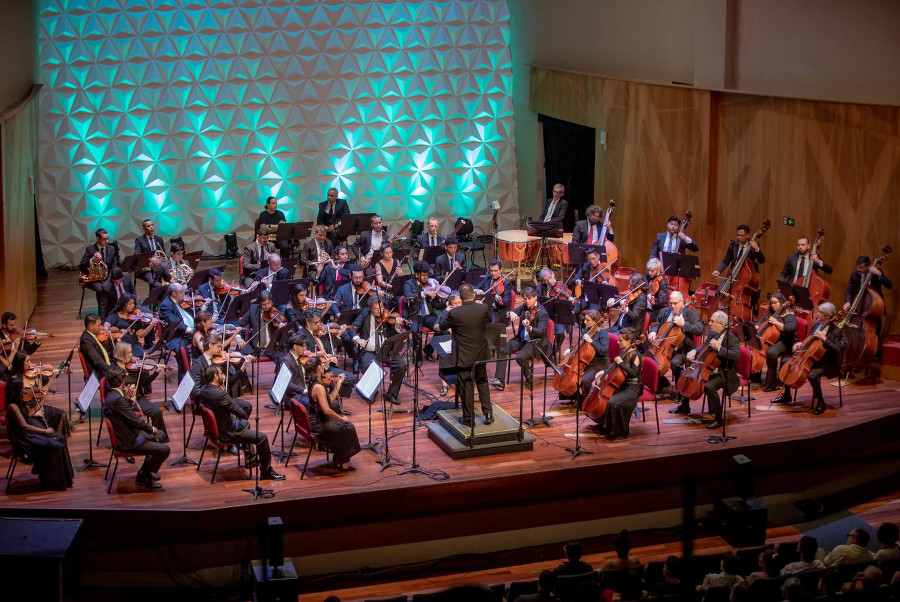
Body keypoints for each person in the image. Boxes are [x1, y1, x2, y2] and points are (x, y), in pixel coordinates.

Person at [197, 365, 284, 481]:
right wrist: (225, 394)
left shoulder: (203, 390)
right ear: (215, 376)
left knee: (244, 424)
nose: (223, 376)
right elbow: (241, 412)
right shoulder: (220, 394)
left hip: (215, 429)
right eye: (221, 374)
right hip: (227, 432)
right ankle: (266, 471)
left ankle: (251, 461)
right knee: (262, 438)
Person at [771, 302, 844, 415]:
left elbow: (837, 350)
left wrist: (825, 339)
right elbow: (808, 339)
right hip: (810, 358)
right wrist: (800, 343)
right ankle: (787, 395)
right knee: (785, 361)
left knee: (812, 375)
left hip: (826, 362)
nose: (817, 314)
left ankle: (820, 402)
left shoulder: (836, 331)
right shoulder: (816, 325)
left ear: (828, 316)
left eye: (820, 312)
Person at [104, 365, 170, 489]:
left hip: (129, 433)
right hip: (129, 441)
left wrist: (129, 399)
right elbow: (135, 420)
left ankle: (145, 472)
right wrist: (151, 429)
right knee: (164, 449)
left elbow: (125, 413)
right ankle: (143, 477)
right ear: (121, 381)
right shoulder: (118, 399)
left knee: (161, 435)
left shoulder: (111, 395)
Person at [4, 378, 74, 490]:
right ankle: (53, 481)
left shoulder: (20, 401)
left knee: (60, 438)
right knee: (56, 446)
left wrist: (42, 400)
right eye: (22, 389)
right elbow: (24, 426)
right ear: (16, 391)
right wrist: (45, 431)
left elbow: (30, 413)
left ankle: (66, 477)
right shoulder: (12, 406)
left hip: (30, 432)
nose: (24, 391)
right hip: (25, 438)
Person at [443, 284, 493, 426]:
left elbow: (441, 326)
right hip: (480, 353)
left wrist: (446, 311)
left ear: (461, 297)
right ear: (474, 295)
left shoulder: (455, 313)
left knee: (466, 385)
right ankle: (488, 414)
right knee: (482, 382)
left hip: (464, 356)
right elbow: (490, 321)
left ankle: (468, 419)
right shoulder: (483, 308)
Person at [647, 291, 703, 414]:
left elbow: (699, 330)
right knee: (648, 358)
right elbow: (657, 324)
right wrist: (653, 331)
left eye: (675, 303)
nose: (672, 306)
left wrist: (684, 324)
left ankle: (682, 392)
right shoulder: (664, 312)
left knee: (676, 363)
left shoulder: (690, 314)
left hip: (682, 349)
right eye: (671, 303)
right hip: (662, 347)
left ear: (682, 302)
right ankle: (658, 385)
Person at [303, 356, 361, 471]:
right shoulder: (318, 387)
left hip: (319, 418)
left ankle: (339, 457)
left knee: (345, 425)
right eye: (322, 365)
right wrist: (341, 419)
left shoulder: (315, 383)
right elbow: (327, 410)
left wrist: (339, 383)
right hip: (320, 424)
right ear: (319, 368)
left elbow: (328, 401)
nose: (324, 367)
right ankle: (341, 460)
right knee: (348, 427)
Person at [687, 310, 741, 430]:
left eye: (712, 321)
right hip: (711, 368)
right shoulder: (712, 334)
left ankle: (718, 418)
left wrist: (719, 348)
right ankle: (684, 406)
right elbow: (705, 346)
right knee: (689, 376)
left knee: (709, 386)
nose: (709, 323)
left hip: (724, 372)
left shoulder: (731, 338)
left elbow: (736, 356)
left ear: (721, 325)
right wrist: (695, 350)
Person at [348, 297, 407, 405]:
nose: (380, 311)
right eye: (376, 309)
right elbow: (352, 329)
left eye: (381, 308)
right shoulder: (364, 315)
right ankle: (372, 392)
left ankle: (391, 394)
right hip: (369, 351)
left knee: (401, 365)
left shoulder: (387, 317)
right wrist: (358, 339)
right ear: (370, 308)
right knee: (367, 365)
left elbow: (393, 336)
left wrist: (397, 327)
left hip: (386, 350)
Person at [493, 287, 550, 391]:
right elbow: (512, 312)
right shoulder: (525, 306)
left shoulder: (542, 313)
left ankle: (528, 377)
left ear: (535, 297)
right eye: (524, 299)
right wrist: (510, 313)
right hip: (521, 339)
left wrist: (531, 327)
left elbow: (541, 332)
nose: (526, 301)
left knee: (520, 357)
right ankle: (500, 381)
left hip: (534, 342)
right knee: (502, 350)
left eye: (528, 298)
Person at [591, 327, 642, 439]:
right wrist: (603, 372)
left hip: (632, 388)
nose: (618, 342)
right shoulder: (624, 351)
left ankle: (619, 432)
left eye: (621, 341)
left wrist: (621, 363)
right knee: (602, 397)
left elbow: (634, 373)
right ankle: (605, 425)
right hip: (622, 385)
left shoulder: (635, 355)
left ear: (629, 341)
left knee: (612, 402)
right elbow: (615, 367)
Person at [111, 342, 168, 443]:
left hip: (138, 398)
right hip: (124, 402)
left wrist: (156, 372)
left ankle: (161, 438)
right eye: (128, 353)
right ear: (121, 354)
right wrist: (126, 391)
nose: (131, 355)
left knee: (157, 412)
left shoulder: (134, 367)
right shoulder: (114, 370)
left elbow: (144, 382)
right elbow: (112, 390)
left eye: (131, 352)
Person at [712, 224, 766, 309]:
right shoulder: (733, 245)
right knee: (719, 291)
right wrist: (718, 271)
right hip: (732, 275)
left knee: (757, 290)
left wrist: (757, 249)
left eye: (741, 235)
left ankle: (748, 308)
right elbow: (726, 261)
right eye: (737, 235)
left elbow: (762, 261)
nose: (739, 237)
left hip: (746, 278)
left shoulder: (753, 247)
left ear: (748, 235)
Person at [561, 310, 609, 399]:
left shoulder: (602, 333)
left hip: (599, 363)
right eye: (585, 320)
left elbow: (604, 350)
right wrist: (570, 349)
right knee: (568, 375)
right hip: (587, 360)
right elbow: (579, 343)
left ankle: (586, 400)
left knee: (585, 380)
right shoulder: (587, 330)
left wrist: (591, 341)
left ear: (595, 321)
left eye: (587, 320)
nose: (584, 322)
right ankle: (575, 396)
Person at [190, 332, 253, 400]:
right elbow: (196, 390)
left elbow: (230, 381)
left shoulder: (220, 363)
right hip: (208, 400)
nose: (220, 349)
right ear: (210, 345)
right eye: (218, 346)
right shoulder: (197, 364)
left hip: (222, 398)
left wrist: (244, 365)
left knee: (247, 406)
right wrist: (213, 394)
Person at [404, 261, 445, 364]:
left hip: (428, 315)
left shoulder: (430, 284)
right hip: (415, 315)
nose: (425, 278)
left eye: (426, 275)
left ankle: (428, 350)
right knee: (415, 331)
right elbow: (408, 297)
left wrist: (447, 302)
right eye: (423, 275)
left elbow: (436, 305)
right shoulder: (408, 284)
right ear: (416, 274)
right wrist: (423, 293)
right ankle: (418, 357)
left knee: (442, 328)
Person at [759, 292, 797, 392]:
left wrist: (776, 323)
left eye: (775, 303)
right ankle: (755, 379)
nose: (773, 305)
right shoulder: (770, 313)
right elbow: (760, 322)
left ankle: (772, 384)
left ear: (782, 303)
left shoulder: (789, 315)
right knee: (756, 346)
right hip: (773, 340)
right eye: (771, 303)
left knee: (771, 352)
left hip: (786, 341)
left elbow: (790, 329)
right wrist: (757, 326)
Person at [79, 228, 120, 319]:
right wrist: (92, 260)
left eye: (107, 239)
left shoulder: (111, 248)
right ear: (98, 239)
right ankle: (103, 318)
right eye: (104, 239)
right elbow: (81, 266)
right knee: (103, 290)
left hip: (107, 277)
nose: (107, 241)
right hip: (93, 278)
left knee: (114, 285)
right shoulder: (90, 249)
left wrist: (113, 276)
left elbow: (115, 264)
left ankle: (112, 314)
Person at [236, 290, 286, 363]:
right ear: (260, 303)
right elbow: (239, 324)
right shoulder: (252, 310)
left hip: (270, 348)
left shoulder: (275, 312)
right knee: (236, 356)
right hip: (254, 347)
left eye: (269, 303)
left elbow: (281, 334)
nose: (267, 306)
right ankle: (243, 374)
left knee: (283, 360)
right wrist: (238, 338)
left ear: (271, 301)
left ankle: (279, 375)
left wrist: (280, 328)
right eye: (264, 304)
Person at [104, 293, 158, 359]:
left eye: (133, 303)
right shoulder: (115, 316)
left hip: (134, 345)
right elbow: (105, 328)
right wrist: (118, 332)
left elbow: (140, 334)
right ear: (123, 304)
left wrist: (151, 326)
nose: (133, 306)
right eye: (130, 304)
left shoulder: (136, 318)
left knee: (140, 359)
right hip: (122, 346)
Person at [474, 259, 512, 327]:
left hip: (498, 310)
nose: (493, 273)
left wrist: (500, 300)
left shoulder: (506, 283)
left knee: (490, 323)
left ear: (500, 270)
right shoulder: (488, 278)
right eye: (491, 271)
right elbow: (476, 287)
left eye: (495, 271)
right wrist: (477, 290)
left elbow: (506, 301)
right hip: (486, 308)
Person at [79, 313, 113, 379]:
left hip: (106, 365)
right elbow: (97, 360)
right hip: (99, 372)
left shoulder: (94, 335)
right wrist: (110, 370)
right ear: (91, 326)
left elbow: (107, 351)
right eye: (98, 325)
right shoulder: (86, 340)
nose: (101, 327)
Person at [133, 218, 166, 286]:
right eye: (148, 226)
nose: (151, 227)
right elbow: (137, 255)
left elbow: (163, 254)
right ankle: (153, 295)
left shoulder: (159, 239)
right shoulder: (139, 240)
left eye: (152, 225)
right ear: (144, 229)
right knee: (153, 282)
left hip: (159, 266)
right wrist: (151, 259)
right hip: (146, 268)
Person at [645, 258, 669, 322]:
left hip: (656, 310)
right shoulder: (648, 277)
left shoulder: (663, 282)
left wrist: (652, 298)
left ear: (658, 270)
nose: (649, 273)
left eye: (652, 271)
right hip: (646, 305)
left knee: (641, 317)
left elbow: (661, 301)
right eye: (648, 270)